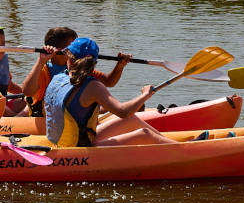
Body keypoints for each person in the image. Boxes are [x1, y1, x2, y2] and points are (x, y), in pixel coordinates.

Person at [44, 37, 174, 147]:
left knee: (131, 119)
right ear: (93, 62)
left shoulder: (58, 77)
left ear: (69, 59)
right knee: (144, 134)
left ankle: (173, 144)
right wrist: (145, 94)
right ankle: (185, 151)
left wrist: (120, 66)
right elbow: (123, 111)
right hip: (79, 148)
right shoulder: (93, 86)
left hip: (64, 140)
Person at [22, 26, 131, 117]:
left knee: (137, 107)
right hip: (46, 120)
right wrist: (41, 61)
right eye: (74, 45)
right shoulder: (44, 70)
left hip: (72, 117)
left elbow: (108, 82)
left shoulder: (79, 68)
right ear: (63, 50)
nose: (79, 46)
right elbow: (27, 91)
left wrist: (120, 65)